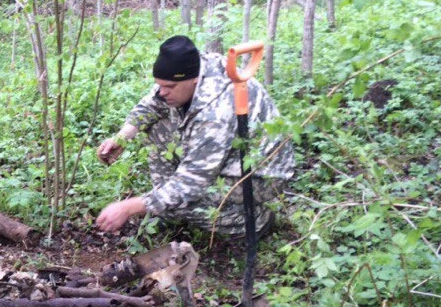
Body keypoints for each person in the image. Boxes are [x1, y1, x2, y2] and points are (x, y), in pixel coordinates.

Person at [95, 35, 294, 237]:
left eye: (169, 87)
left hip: (259, 173)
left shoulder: (216, 113)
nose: (162, 92)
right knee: (156, 123)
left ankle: (255, 220)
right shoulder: (193, 67)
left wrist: (128, 207)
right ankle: (163, 200)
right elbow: (151, 104)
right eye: (160, 85)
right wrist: (121, 139)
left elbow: (191, 182)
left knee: (185, 204)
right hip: (230, 151)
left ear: (194, 80)